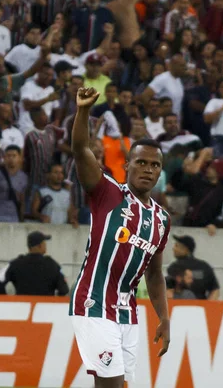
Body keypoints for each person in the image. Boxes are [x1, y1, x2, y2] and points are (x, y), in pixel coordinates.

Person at [69, 87, 171, 388]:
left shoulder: (161, 219)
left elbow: (154, 274)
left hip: (128, 312)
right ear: (127, 165)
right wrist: (84, 111)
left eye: (155, 165)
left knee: (119, 385)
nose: (148, 169)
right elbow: (80, 150)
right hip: (93, 301)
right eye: (141, 162)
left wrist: (164, 317)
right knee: (111, 384)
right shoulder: (108, 193)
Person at [0, 231, 69, 296]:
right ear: (40, 246)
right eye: (44, 243)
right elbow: (64, 290)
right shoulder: (52, 265)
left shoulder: (15, 264)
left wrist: (6, 301)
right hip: (45, 309)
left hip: (22, 308)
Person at [166, 235, 220, 300]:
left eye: (176, 246)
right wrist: (208, 306)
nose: (173, 248)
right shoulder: (204, 266)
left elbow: (169, 291)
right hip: (200, 307)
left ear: (185, 249)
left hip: (179, 306)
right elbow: (215, 290)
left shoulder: (174, 267)